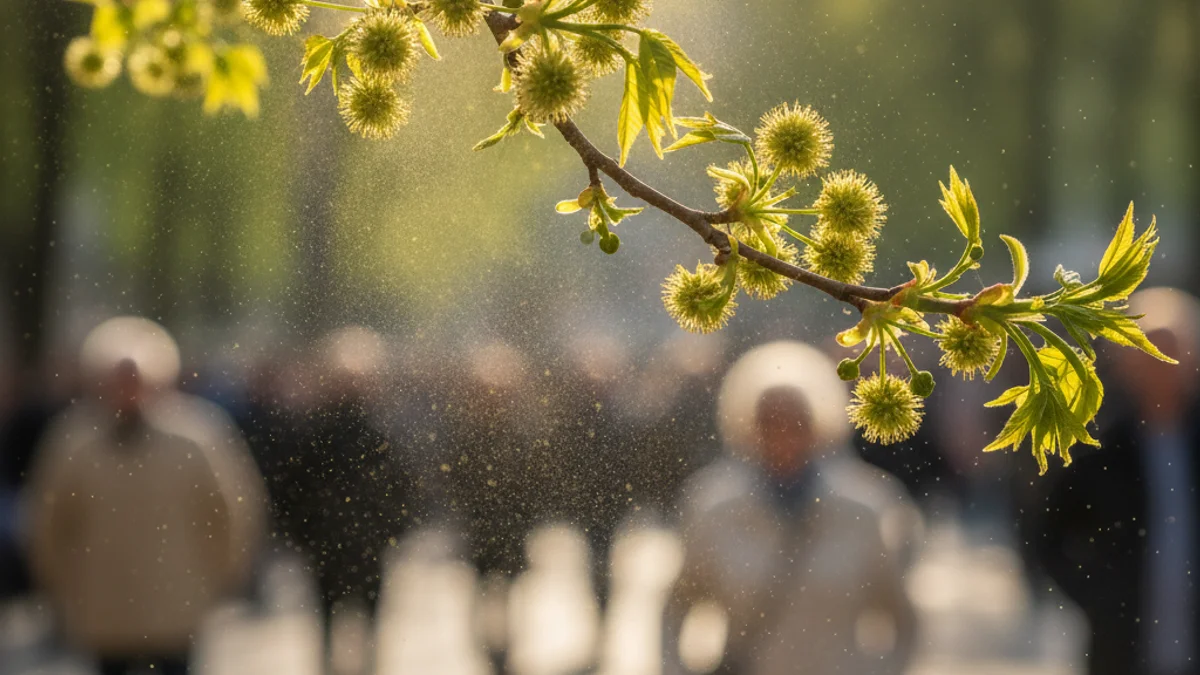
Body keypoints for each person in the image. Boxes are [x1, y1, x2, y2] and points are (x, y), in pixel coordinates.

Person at [23, 316, 265, 675]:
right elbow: (49, 522)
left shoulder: (197, 437)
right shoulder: (74, 441)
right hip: (105, 608)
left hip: (177, 607)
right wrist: (63, 587)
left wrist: (221, 577)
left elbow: (231, 512)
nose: (127, 389)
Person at [666, 341, 920, 675]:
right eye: (770, 419)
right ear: (747, 424)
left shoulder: (866, 505)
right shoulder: (713, 505)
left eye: (795, 419)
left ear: (819, 422)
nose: (783, 432)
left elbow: (903, 618)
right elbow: (674, 610)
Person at [1029, 287, 1200, 675]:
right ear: (1126, 364)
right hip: (1122, 641)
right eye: (1149, 356)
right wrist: (1098, 595)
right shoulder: (1096, 446)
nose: (1162, 365)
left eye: (1172, 354)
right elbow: (1047, 534)